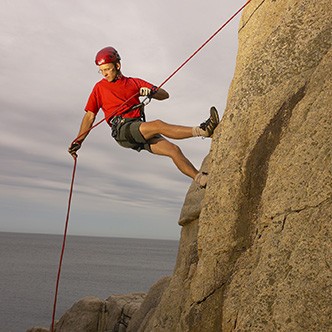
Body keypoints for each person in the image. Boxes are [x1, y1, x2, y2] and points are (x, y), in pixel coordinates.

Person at [68, 46, 219, 188]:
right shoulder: (99, 88)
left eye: (107, 69)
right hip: (122, 129)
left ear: (118, 65)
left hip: (137, 128)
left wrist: (151, 92)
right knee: (158, 125)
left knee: (173, 150)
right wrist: (78, 140)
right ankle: (203, 131)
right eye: (101, 71)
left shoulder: (134, 83)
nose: (104, 73)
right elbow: (89, 116)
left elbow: (164, 95)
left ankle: (201, 179)